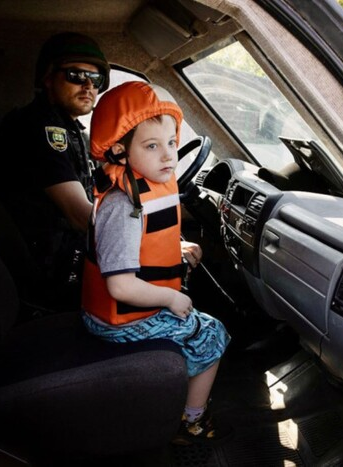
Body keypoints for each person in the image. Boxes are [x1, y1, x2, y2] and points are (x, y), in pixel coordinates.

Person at [80, 81, 231, 445]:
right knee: (212, 335)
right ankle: (190, 422)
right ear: (118, 150)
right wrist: (170, 298)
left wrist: (174, 248)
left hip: (129, 308)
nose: (168, 156)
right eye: (152, 146)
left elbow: (143, 243)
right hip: (119, 322)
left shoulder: (141, 191)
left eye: (171, 143)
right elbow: (120, 286)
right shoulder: (124, 207)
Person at [0, 32, 110, 312]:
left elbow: (95, 190)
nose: (88, 85)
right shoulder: (39, 127)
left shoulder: (70, 129)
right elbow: (81, 215)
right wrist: (152, 242)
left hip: (64, 259)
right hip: (51, 279)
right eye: (76, 75)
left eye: (96, 79)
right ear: (47, 78)